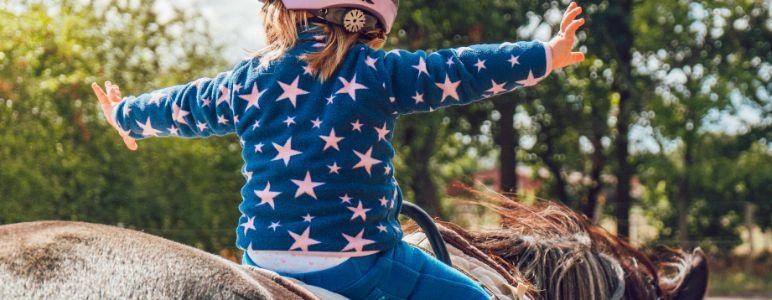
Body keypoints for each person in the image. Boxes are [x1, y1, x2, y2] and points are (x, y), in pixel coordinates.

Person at [92, 0, 585, 298]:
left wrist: (126, 115)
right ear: (365, 20)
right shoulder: (377, 73)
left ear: (283, 16)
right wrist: (545, 54)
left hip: (261, 259)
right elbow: (459, 70)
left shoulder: (246, 82)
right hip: (357, 260)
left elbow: (185, 103)